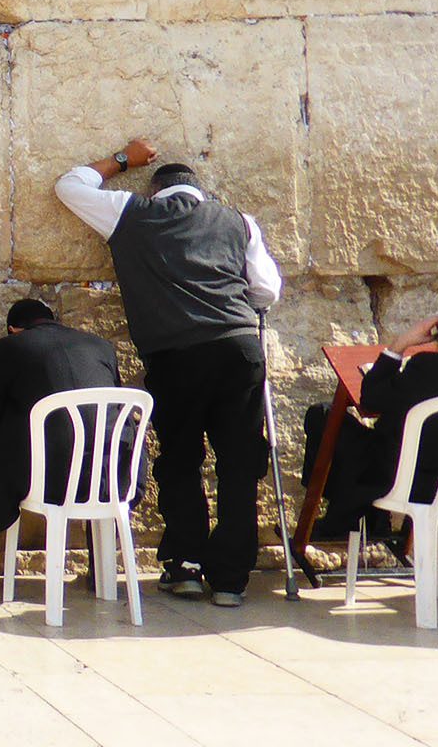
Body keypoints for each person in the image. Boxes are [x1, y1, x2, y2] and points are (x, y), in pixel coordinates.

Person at [55, 139, 282, 606]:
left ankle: (186, 565)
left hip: (175, 355)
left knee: (180, 458)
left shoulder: (131, 213)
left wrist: (122, 160)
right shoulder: (239, 222)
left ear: (155, 189)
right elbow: (267, 291)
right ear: (199, 190)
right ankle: (231, 579)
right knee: (239, 463)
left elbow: (70, 185)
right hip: (237, 349)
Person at [313, 270, 438, 534]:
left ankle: (346, 518)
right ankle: (363, 519)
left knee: (322, 417)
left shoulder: (429, 369)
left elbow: (372, 397)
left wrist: (400, 345)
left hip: (406, 485)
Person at [0, 298, 122, 593]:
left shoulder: (5, 350)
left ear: (14, 329)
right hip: (110, 474)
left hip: (47, 479)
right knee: (89, 453)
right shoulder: (101, 347)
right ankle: (101, 569)